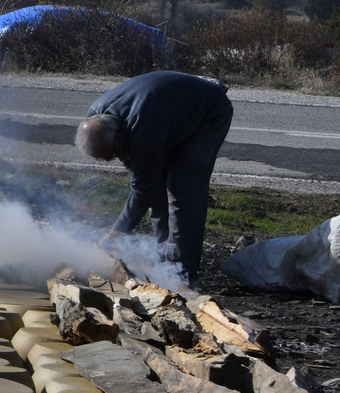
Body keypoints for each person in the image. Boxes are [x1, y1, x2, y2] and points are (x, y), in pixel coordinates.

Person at [75, 70, 233, 287]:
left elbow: (142, 191)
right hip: (169, 113)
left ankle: (183, 272)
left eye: (110, 154)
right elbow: (142, 177)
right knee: (156, 184)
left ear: (120, 136)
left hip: (209, 112)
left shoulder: (142, 131)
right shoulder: (96, 116)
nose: (110, 160)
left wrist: (117, 231)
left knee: (183, 188)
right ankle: (164, 256)